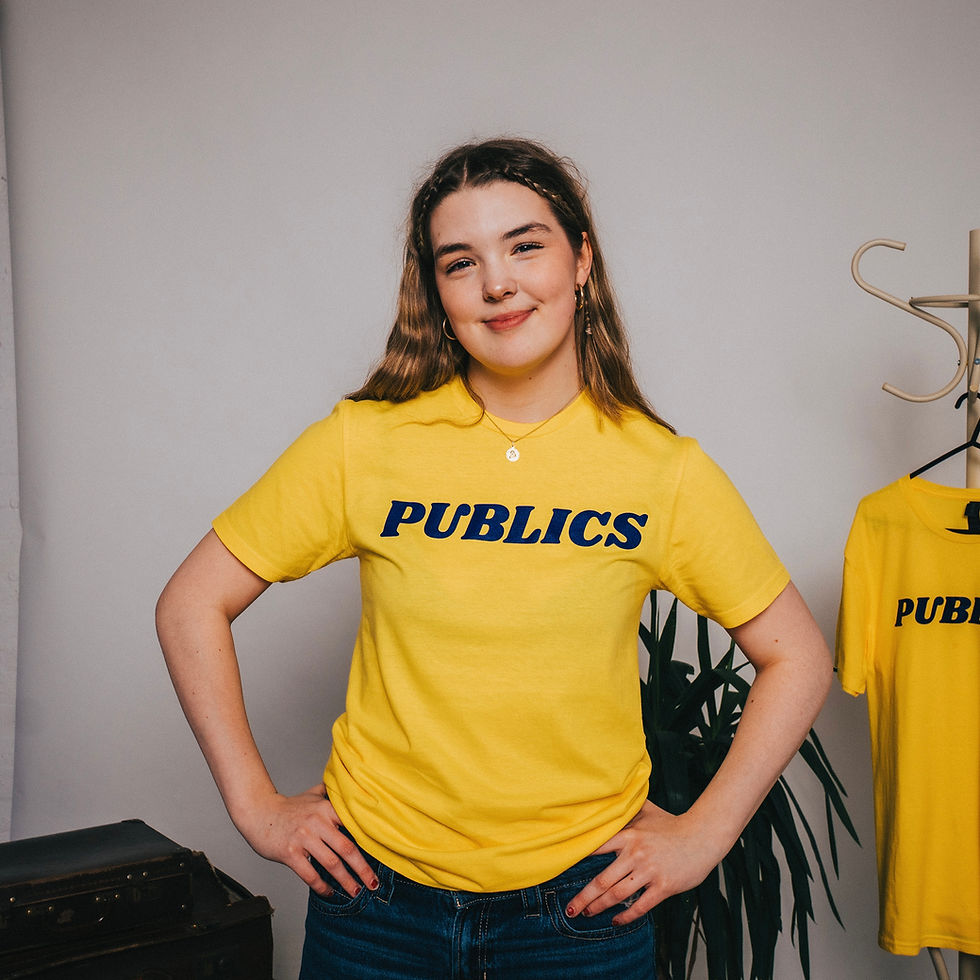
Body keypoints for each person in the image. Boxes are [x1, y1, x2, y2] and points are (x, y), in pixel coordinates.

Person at [156, 137, 833, 979]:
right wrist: (257, 809)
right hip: (373, 910)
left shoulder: (663, 471)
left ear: (581, 259)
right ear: (435, 290)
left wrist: (701, 836)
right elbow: (190, 603)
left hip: (580, 919)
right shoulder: (362, 445)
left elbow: (797, 655)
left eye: (525, 245)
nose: (498, 283)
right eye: (459, 262)